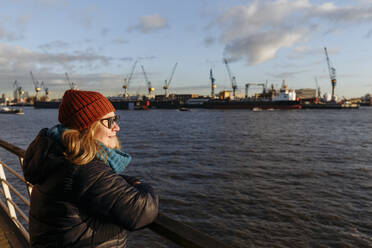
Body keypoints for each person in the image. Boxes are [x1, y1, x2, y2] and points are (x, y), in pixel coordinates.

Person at [22, 89, 159, 247]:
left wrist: (123, 181)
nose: (116, 127)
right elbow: (142, 211)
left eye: (115, 119)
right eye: (109, 121)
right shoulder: (82, 169)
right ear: (88, 127)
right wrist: (139, 184)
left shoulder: (59, 156)